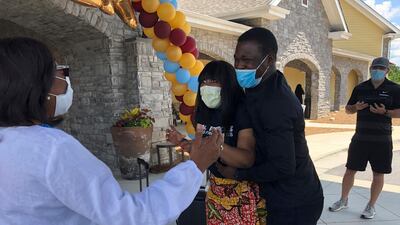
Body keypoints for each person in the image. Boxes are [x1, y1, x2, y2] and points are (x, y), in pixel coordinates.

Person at [0, 37, 223, 225]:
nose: (65, 81)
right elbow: (132, 216)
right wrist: (195, 167)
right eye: (59, 72)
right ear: (37, 86)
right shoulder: (51, 150)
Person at [217, 27, 324, 225]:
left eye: (246, 60)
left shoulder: (276, 103)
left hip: (294, 203)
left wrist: (240, 174)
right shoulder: (261, 85)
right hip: (278, 195)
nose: (239, 66)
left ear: (269, 60)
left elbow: (283, 166)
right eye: (236, 59)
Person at [167, 61, 266, 225]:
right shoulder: (202, 114)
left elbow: (246, 158)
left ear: (227, 84)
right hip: (215, 190)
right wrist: (182, 141)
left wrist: (215, 146)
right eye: (204, 82)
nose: (207, 87)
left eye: (213, 81)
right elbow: (201, 152)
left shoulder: (242, 111)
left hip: (243, 192)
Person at [328, 57, 400, 219]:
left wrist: (386, 112)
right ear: (370, 69)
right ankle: (343, 199)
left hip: (382, 140)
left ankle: (371, 206)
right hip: (360, 138)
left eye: (381, 68)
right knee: (350, 171)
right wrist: (355, 107)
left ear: (387, 71)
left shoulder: (395, 89)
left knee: (378, 174)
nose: (377, 71)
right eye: (374, 68)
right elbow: (348, 109)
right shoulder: (360, 88)